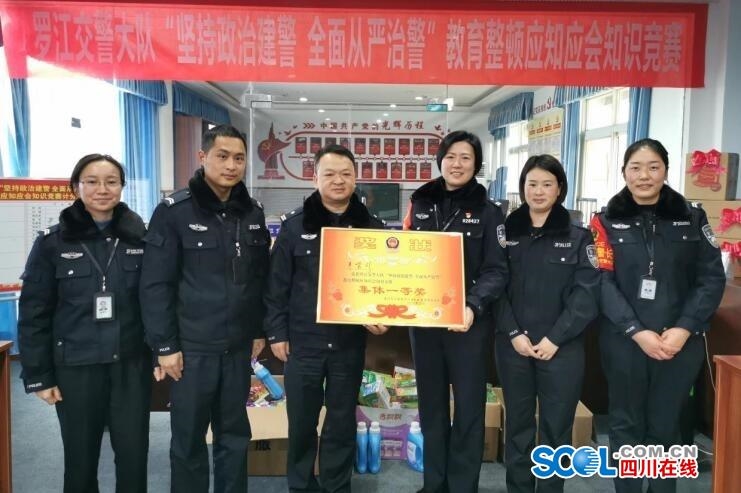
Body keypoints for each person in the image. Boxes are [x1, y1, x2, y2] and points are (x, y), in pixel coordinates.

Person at [590, 138, 726, 493]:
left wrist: (684, 329)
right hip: (624, 341)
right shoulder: (605, 221)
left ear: (665, 171)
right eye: (635, 168)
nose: (644, 176)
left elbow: (711, 279)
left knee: (666, 427)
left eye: (653, 167)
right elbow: (601, 281)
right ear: (624, 172)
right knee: (625, 426)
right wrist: (636, 331)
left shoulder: (692, 218)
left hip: (678, 343)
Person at [139, 125, 269, 493]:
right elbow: (155, 284)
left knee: (235, 435)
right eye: (222, 156)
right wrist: (164, 346)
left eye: (239, 158)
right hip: (192, 348)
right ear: (203, 157)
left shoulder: (252, 212)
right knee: (189, 438)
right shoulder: (174, 212)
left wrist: (258, 329)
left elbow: (259, 278)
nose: (231, 165)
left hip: (238, 346)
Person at [18, 153, 151, 492]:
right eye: (92, 181)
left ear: (122, 187)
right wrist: (39, 375)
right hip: (76, 367)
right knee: (80, 460)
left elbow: (156, 301)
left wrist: (161, 351)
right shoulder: (52, 243)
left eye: (111, 182)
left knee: (134, 457)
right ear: (76, 187)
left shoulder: (141, 239)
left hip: (130, 365)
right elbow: (34, 313)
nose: (102, 189)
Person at [263, 144, 387, 493]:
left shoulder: (372, 228)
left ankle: (336, 485)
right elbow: (276, 287)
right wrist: (276, 333)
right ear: (314, 178)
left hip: (348, 343)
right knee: (302, 422)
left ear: (356, 178)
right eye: (329, 174)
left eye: (346, 174)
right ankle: (301, 485)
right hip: (303, 342)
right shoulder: (293, 226)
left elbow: (384, 282)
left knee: (341, 421)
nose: (338, 180)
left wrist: (382, 314)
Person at [402, 130, 509, 493]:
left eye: (465, 157)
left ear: (476, 165)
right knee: (430, 407)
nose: (457, 164)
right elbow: (403, 255)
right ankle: (434, 484)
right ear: (440, 160)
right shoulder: (420, 203)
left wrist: (472, 305)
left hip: (468, 325)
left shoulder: (489, 212)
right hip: (425, 324)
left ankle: (463, 486)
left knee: (468, 409)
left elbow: (497, 270)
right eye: (450, 156)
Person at [495, 155, 600, 493]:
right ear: (522, 187)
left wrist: (556, 338)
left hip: (562, 349)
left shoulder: (579, 236)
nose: (538, 191)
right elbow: (495, 287)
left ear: (559, 190)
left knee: (557, 429)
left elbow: (586, 294)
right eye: (532, 184)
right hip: (514, 346)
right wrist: (513, 333)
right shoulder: (505, 233)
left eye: (546, 184)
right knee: (518, 427)